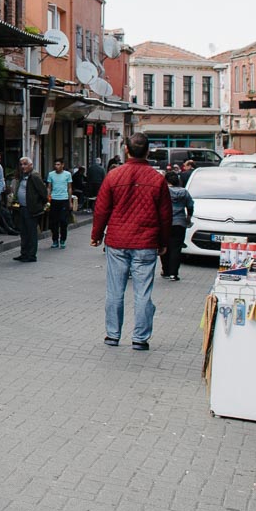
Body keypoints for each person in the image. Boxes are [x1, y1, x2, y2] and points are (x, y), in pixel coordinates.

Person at [90, 133, 170, 351]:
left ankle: (112, 335)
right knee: (143, 292)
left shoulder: (114, 176)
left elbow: (102, 209)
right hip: (146, 242)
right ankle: (140, 338)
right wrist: (164, 242)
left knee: (115, 290)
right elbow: (165, 215)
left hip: (117, 241)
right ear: (147, 151)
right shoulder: (157, 179)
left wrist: (96, 235)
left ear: (126, 150)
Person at [12, 157, 48, 263]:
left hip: (31, 209)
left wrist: (37, 205)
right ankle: (24, 253)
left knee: (31, 233)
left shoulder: (34, 176)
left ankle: (31, 255)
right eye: (21, 164)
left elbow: (43, 193)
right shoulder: (23, 177)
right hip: (22, 208)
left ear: (31, 165)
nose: (23, 166)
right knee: (24, 232)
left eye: (25, 164)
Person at [161, 171, 193, 281]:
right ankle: (173, 273)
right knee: (176, 248)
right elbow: (190, 205)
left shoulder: (163, 191)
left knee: (165, 246)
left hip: (165, 223)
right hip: (179, 223)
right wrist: (188, 217)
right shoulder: (184, 192)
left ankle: (165, 270)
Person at [45, 159, 73, 249]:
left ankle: (63, 239)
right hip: (54, 199)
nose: (56, 166)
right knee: (54, 222)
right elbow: (49, 187)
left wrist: (70, 201)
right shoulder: (51, 174)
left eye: (58, 164)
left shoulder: (67, 174)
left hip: (64, 199)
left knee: (63, 221)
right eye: (55, 164)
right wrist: (48, 198)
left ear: (62, 165)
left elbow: (69, 188)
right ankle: (55, 240)